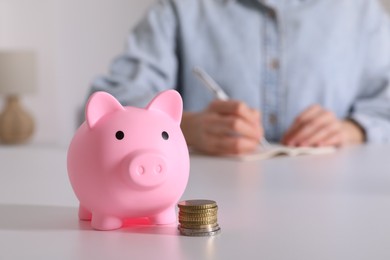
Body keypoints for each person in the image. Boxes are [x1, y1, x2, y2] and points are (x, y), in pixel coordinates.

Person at [87, 0, 390, 155]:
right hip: (205, 207)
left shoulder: (360, 10)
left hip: (333, 206)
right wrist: (184, 127)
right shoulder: (181, 8)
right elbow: (112, 101)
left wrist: (350, 129)